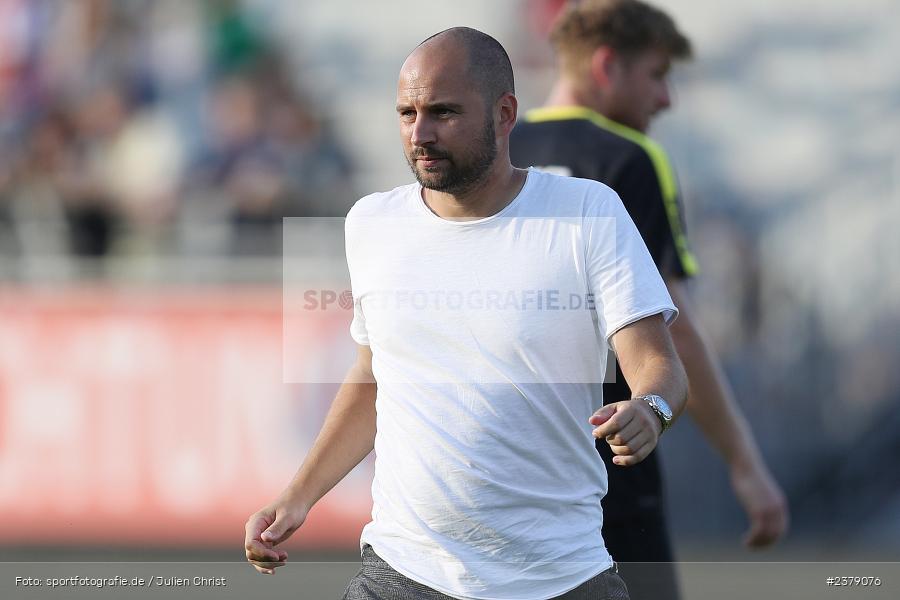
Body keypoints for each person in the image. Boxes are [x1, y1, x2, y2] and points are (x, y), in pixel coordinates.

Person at [245, 26, 690, 600]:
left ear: (505, 114)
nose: (420, 134)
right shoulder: (371, 223)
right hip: (401, 570)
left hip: (560, 577)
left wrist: (650, 410)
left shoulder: (587, 212)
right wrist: (296, 496)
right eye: (407, 113)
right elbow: (374, 377)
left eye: (444, 112)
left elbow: (660, 366)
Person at [509, 1, 790, 598]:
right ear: (607, 66)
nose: (665, 99)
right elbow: (674, 327)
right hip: (610, 454)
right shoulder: (630, 158)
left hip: (506, 460)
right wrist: (744, 462)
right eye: (657, 75)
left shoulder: (494, 150)